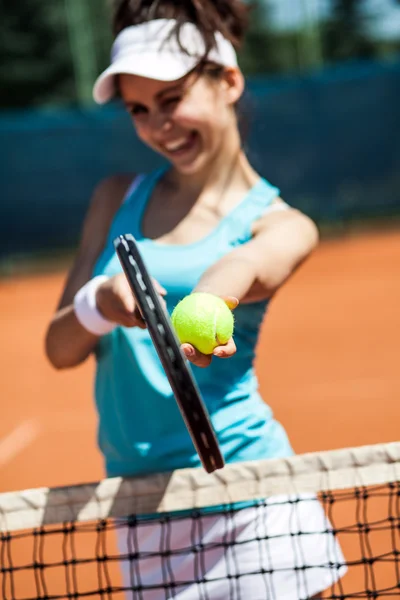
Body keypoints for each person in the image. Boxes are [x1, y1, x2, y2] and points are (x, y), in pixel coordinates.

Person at [45, 0, 347, 597]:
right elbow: (59, 349)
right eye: (139, 109)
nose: (159, 125)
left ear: (228, 81)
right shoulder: (114, 197)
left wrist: (206, 301)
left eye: (173, 98)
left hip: (251, 508)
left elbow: (244, 265)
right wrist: (102, 301)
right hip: (141, 506)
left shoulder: (282, 223)